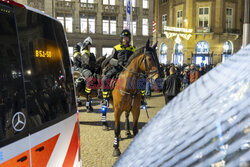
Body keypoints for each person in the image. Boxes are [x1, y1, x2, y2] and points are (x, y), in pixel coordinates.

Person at [73, 36, 96, 112]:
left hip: (83, 68)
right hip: (79, 69)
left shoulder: (86, 52)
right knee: (89, 77)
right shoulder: (81, 53)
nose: (90, 47)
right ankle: (87, 94)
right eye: (89, 45)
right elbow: (85, 62)